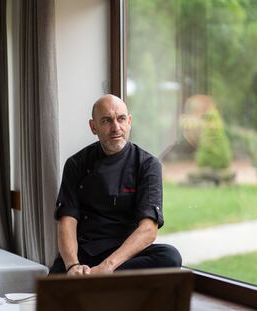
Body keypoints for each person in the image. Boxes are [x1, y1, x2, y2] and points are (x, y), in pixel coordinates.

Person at [50, 94, 181, 275]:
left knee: (170, 256)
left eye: (120, 119)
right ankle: (97, 284)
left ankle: (97, 283)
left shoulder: (147, 164)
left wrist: (107, 267)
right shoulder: (76, 164)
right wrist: (73, 266)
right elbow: (67, 220)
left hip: (124, 256)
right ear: (93, 127)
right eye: (106, 121)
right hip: (85, 253)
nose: (116, 128)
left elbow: (148, 229)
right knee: (54, 288)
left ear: (129, 122)